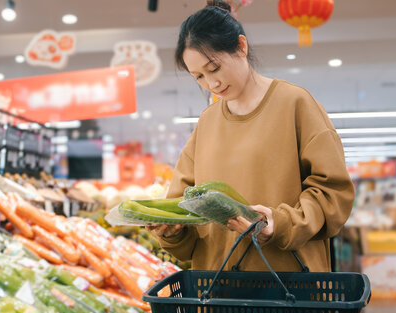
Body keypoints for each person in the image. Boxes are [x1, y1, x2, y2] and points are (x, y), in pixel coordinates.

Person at [149, 0, 354, 272]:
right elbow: (182, 210)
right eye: (198, 76)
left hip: (290, 289)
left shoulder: (295, 104)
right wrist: (171, 229)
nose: (212, 84)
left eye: (214, 68)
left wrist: (279, 224)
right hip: (219, 292)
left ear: (241, 47)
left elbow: (334, 194)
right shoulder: (207, 123)